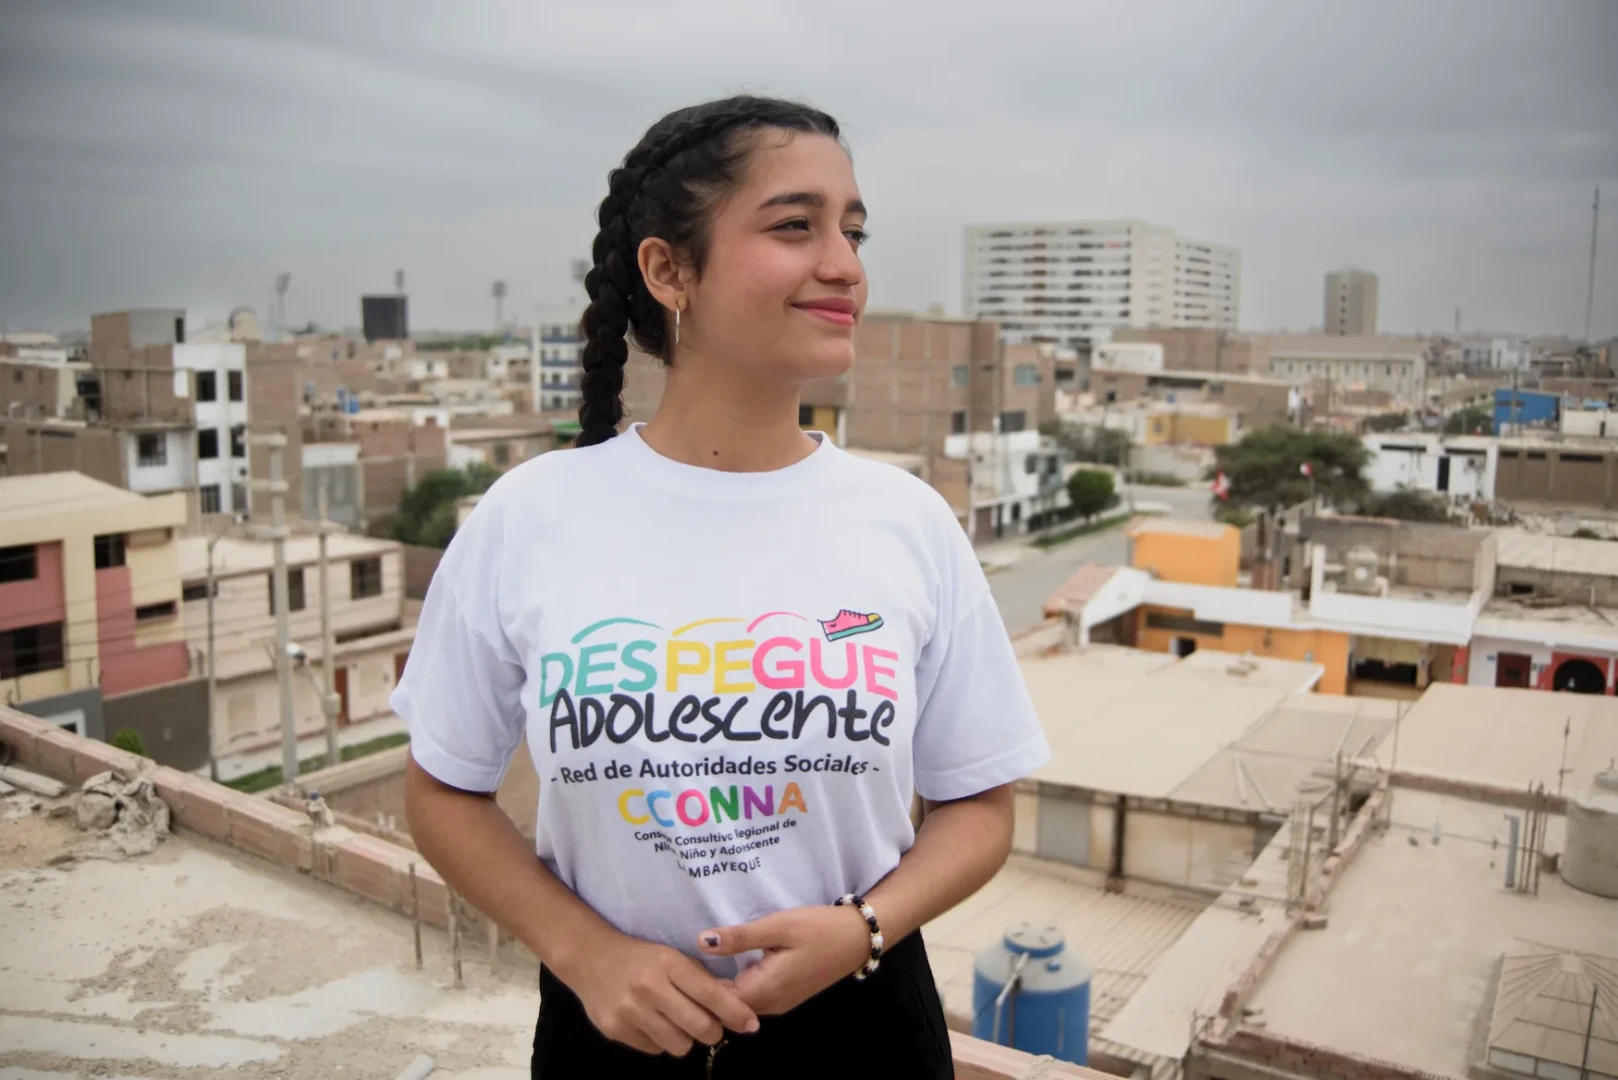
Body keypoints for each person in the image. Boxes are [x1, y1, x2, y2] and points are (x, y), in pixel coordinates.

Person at [393, 95, 1050, 1079]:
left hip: (862, 1030)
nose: (844, 264)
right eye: (796, 226)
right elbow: (443, 789)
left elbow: (979, 807)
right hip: (615, 1033)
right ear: (669, 270)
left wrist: (864, 929)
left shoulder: (905, 520)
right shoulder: (530, 517)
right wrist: (585, 952)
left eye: (853, 230)